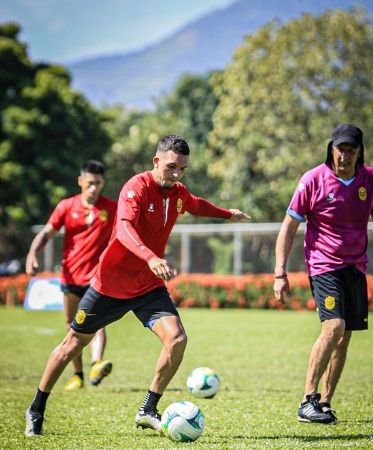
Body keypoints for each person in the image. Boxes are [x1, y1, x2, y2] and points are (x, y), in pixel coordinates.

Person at [24, 135, 251, 437]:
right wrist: (150, 257)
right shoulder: (136, 187)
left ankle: (148, 408)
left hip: (147, 287)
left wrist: (227, 214)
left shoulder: (178, 192)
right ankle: (36, 408)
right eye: (171, 167)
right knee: (71, 345)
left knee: (177, 340)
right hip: (110, 286)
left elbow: (195, 204)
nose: (176, 174)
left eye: (182, 169)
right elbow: (123, 228)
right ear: (156, 161)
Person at [274, 124, 373, 425]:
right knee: (334, 327)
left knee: (344, 338)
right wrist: (280, 272)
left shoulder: (370, 179)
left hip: (355, 267)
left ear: (359, 152)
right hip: (323, 265)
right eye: (339, 149)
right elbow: (289, 227)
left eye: (350, 150)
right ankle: (307, 400)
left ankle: (325, 402)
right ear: (331, 149)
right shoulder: (313, 180)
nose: (344, 156)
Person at [25, 160, 116, 390]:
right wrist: (32, 254)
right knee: (71, 324)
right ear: (80, 181)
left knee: (98, 323)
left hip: (97, 278)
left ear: (102, 183)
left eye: (98, 183)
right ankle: (78, 375)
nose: (94, 188)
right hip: (70, 277)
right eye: (90, 183)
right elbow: (47, 233)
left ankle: (96, 363)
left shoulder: (112, 208)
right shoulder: (66, 206)